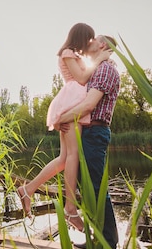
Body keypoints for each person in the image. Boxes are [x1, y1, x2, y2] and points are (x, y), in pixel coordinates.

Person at [17, 23, 110, 230]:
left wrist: (96, 60)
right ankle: (70, 208)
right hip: (73, 100)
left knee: (63, 159)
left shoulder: (73, 53)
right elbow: (82, 77)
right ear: (81, 37)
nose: (90, 42)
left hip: (74, 98)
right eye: (89, 38)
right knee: (72, 156)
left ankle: (28, 189)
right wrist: (99, 60)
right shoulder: (68, 52)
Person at [56, 34, 121, 249]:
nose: (89, 41)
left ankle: (108, 247)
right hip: (87, 131)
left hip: (95, 132)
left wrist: (60, 118)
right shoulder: (96, 68)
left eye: (93, 38)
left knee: (96, 187)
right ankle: (97, 240)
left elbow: (88, 105)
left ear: (102, 44)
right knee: (88, 188)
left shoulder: (105, 70)